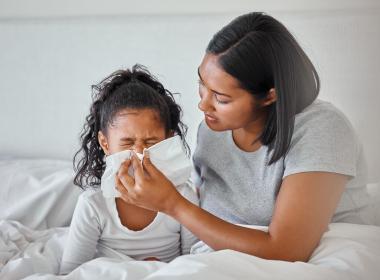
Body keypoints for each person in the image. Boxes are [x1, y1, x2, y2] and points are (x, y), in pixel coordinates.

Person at [115, 12, 370, 262]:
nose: (203, 105)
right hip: (220, 257)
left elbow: (288, 250)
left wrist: (173, 204)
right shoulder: (212, 132)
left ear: (270, 95)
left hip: (316, 255)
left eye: (221, 98)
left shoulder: (321, 129)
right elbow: (199, 223)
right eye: (202, 84)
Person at [59, 65, 198, 274]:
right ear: (105, 144)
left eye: (151, 142)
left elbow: (194, 264)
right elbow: (71, 273)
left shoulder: (183, 196)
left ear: (168, 140)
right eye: (127, 143)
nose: (139, 153)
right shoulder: (93, 205)